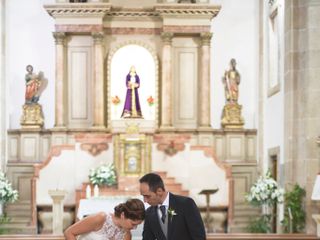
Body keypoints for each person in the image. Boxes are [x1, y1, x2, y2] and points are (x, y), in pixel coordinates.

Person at [139, 173, 206, 240]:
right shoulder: (149, 213)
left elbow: (199, 237)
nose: (145, 200)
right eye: (143, 196)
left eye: (147, 196)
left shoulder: (186, 204)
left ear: (159, 191)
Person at [64, 198, 145, 240]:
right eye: (133, 224)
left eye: (137, 225)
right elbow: (69, 233)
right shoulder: (101, 218)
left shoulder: (127, 235)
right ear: (123, 215)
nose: (134, 228)